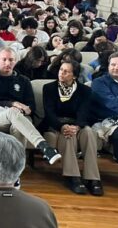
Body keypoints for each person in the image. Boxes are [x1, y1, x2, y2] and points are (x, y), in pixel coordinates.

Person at [0, 47, 61, 165]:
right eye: (4, 59)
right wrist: (12, 104)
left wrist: (25, 110)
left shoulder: (24, 80)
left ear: (16, 61)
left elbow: (31, 106)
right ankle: (44, 146)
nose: (8, 63)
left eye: (11, 60)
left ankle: (15, 168)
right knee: (12, 111)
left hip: (20, 117)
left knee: (18, 127)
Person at [43, 60, 102, 195]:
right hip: (56, 124)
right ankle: (73, 177)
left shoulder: (85, 90)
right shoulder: (49, 88)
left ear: (74, 76)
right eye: (61, 70)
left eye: (66, 71)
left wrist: (77, 126)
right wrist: (62, 126)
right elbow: (49, 113)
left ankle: (93, 178)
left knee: (88, 132)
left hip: (77, 123)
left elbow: (84, 112)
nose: (61, 73)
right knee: (67, 135)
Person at [90, 52, 118, 160]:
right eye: (113, 64)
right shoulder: (99, 82)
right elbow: (112, 104)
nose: (116, 68)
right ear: (108, 66)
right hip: (107, 120)